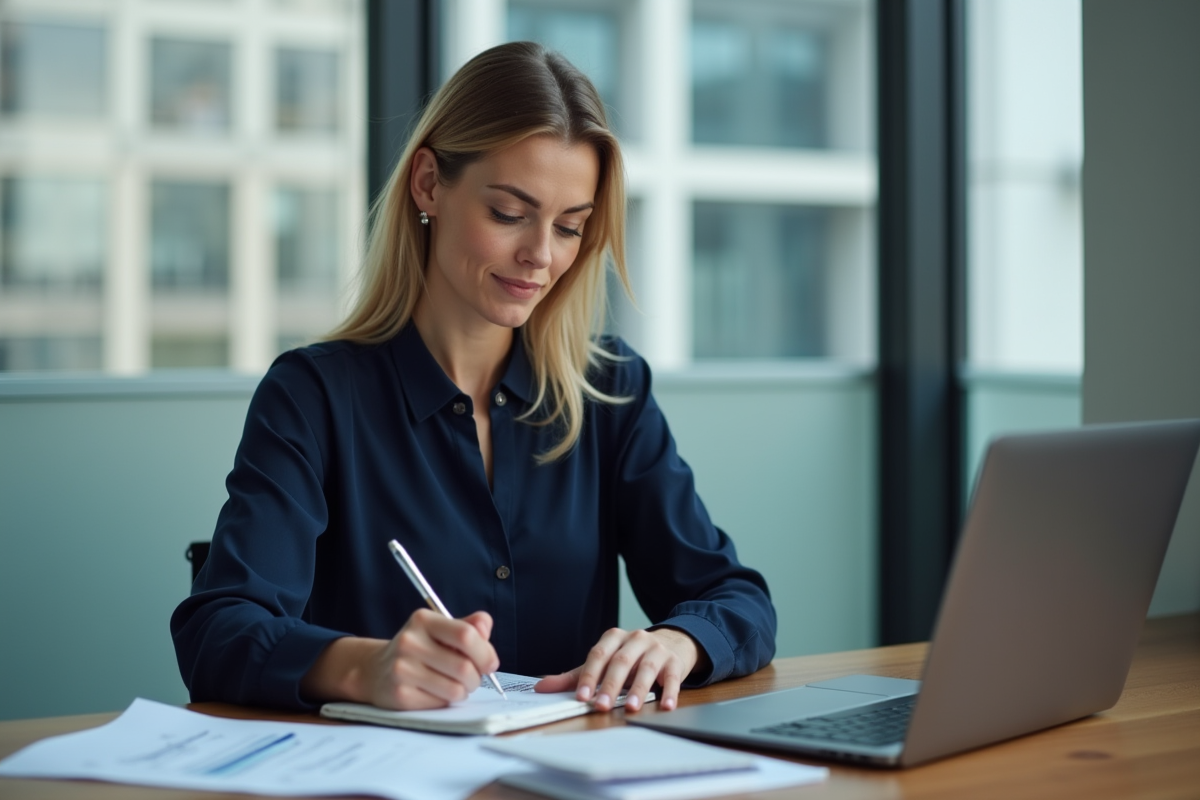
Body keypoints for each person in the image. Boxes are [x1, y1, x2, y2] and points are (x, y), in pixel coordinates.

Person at [171, 41, 775, 716]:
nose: (541, 257)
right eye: (509, 214)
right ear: (428, 184)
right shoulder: (313, 398)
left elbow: (738, 600)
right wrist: (364, 667)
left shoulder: (611, 394)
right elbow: (216, 632)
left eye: (571, 227)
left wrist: (679, 642)